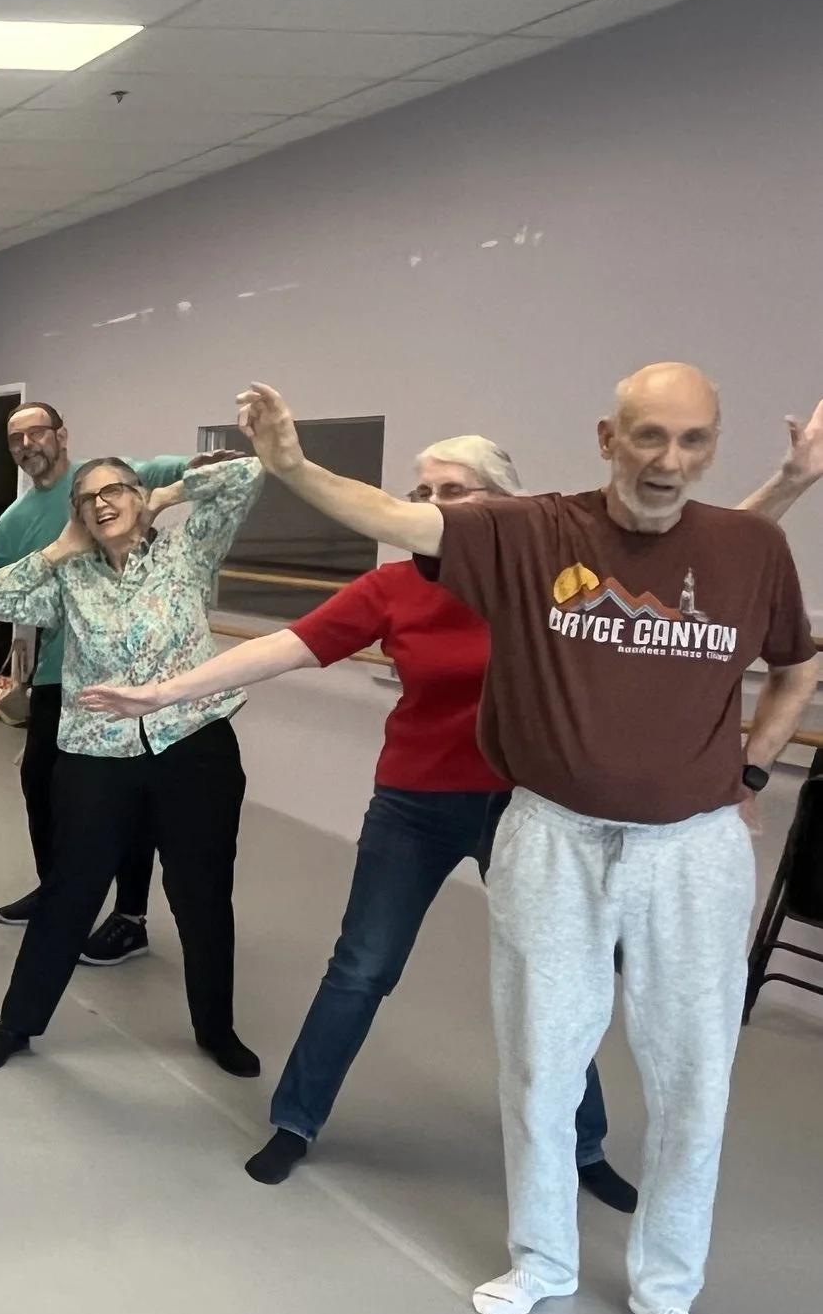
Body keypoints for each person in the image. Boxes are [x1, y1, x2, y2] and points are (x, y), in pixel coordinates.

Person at [237, 372, 818, 1314]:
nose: (667, 460)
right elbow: (386, 514)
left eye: (690, 441)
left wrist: (753, 767)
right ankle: (541, 1259)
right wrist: (288, 465)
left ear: (713, 446)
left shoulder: (750, 546)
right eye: (647, 437)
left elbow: (795, 664)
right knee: (543, 1061)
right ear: (606, 436)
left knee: (692, 1079)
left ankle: (667, 1289)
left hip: (690, 853)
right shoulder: (531, 531)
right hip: (550, 833)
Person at [79, 436, 640, 1206]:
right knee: (363, 965)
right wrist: (167, 692)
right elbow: (287, 645)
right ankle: (296, 1119)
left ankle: (584, 1144)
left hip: (524, 804)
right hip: (416, 802)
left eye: (452, 489)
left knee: (552, 978)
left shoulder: (547, 585)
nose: (431, 504)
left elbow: (652, 619)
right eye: (420, 490)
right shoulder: (394, 587)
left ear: (499, 503)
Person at [0, 453, 267, 1077]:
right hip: (98, 752)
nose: (101, 503)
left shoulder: (187, 556)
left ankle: (216, 1029)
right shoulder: (71, 579)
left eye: (114, 492)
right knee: (70, 891)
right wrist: (59, 547)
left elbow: (247, 475)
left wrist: (163, 495)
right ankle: (17, 1023)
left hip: (194, 745)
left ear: (137, 494)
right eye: (87, 499)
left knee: (202, 895)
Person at [0, 402, 182, 965]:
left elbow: (175, 469)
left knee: (130, 798)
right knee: (41, 783)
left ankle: (130, 916)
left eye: (36, 432)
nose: (27, 444)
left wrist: (206, 464)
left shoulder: (107, 482)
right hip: (58, 675)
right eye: (14, 438)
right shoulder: (16, 518)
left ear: (62, 436)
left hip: (128, 678)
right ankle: (59, 893)